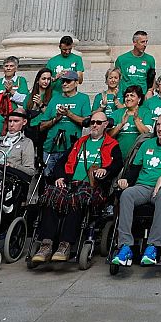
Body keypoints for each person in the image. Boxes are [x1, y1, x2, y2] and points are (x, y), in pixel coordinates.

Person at [30, 110, 120, 264]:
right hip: (70, 182)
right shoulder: (80, 142)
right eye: (92, 122)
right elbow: (61, 162)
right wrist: (60, 177)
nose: (94, 125)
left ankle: (65, 245)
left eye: (99, 123)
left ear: (106, 125)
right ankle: (46, 244)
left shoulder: (112, 144)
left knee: (76, 200)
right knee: (51, 195)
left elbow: (118, 164)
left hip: (92, 186)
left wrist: (106, 169)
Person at [110, 113, 161, 267]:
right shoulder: (146, 145)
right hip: (143, 186)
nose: (160, 128)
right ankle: (125, 246)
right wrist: (126, 180)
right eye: (158, 124)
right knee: (126, 194)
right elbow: (134, 169)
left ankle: (153, 246)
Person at [115, 30, 156, 97]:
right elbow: (116, 78)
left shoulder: (150, 59)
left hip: (143, 96)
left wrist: (150, 91)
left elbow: (152, 78)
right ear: (134, 43)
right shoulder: (121, 59)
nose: (145, 45)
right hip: (126, 96)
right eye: (142, 42)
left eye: (146, 42)